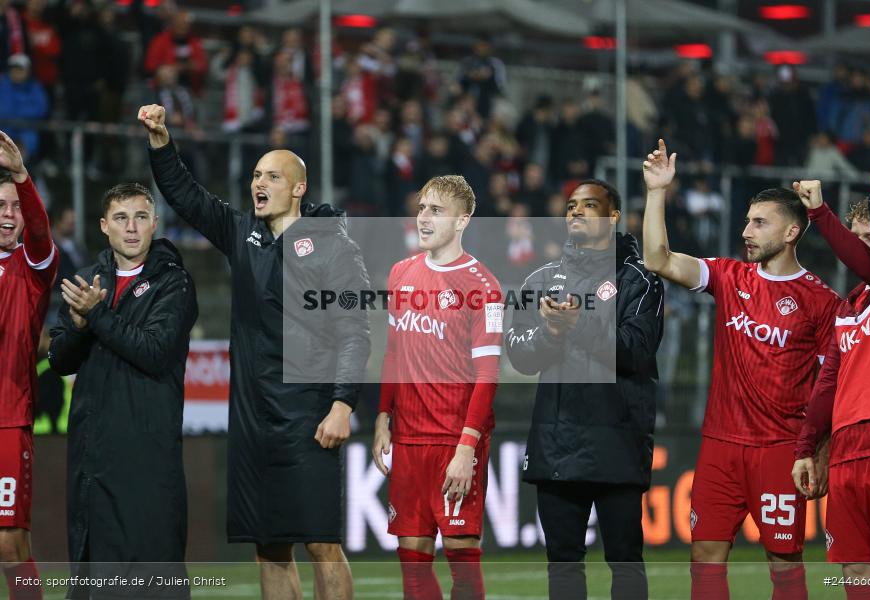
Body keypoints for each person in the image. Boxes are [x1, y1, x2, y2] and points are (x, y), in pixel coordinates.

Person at [137, 103, 371, 600]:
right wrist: (161, 141)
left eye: (272, 176)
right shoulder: (243, 234)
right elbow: (187, 196)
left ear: (299, 189)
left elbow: (356, 331)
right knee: (269, 548)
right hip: (252, 417)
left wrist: (342, 403)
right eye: (256, 175)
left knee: (322, 544)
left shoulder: (334, 247)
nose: (258, 183)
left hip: (309, 413)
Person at [641, 139, 842, 599]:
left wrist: (821, 452)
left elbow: (831, 386)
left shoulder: (821, 301)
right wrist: (657, 192)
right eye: (747, 221)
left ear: (791, 232)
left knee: (784, 564)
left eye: (759, 223)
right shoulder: (730, 277)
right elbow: (659, 260)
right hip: (720, 445)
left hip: (781, 450)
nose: (746, 231)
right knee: (704, 557)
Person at [505, 179, 664, 600]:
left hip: (617, 441)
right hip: (557, 444)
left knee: (625, 560)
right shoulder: (539, 280)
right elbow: (520, 354)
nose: (575, 211)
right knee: (563, 563)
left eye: (589, 205)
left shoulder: (639, 280)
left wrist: (577, 324)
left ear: (613, 217)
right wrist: (551, 334)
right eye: (571, 205)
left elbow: (636, 349)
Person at [48, 183, 197, 599]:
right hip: (91, 456)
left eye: (140, 217)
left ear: (154, 224)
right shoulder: (85, 280)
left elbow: (153, 352)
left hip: (146, 455)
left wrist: (96, 314)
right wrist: (79, 328)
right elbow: (59, 359)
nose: (131, 228)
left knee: (152, 580)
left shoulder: (174, 283)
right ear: (104, 226)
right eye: (121, 218)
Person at [373, 175, 501, 600]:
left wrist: (466, 449)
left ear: (463, 220)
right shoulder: (401, 273)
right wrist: (383, 416)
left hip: (454, 442)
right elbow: (393, 353)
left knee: (462, 568)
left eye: (437, 210)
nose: (424, 218)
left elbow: (487, 376)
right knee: (413, 569)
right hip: (409, 440)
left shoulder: (484, 287)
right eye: (422, 208)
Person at [792, 169, 870, 600]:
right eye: (855, 238)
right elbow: (827, 383)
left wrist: (820, 212)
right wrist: (807, 447)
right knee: (856, 575)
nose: (858, 248)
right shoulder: (849, 306)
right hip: (846, 451)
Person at [0, 131, 55, 600]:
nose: (8, 213)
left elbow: (39, 231)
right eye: (0, 205)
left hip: (7, 418)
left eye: (15, 206)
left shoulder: (32, 264)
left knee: (8, 543)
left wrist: (21, 175)